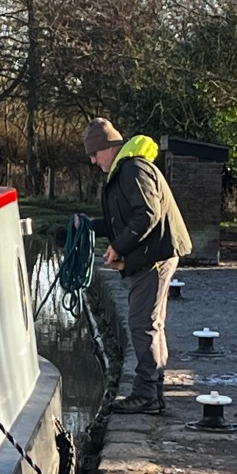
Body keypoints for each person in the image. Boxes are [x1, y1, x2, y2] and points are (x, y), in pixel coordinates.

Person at [82, 117, 192, 414]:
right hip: (150, 254)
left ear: (108, 147)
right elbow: (124, 219)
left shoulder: (132, 169)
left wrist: (119, 247)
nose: (93, 161)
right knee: (152, 325)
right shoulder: (127, 169)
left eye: (94, 153)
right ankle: (152, 393)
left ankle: (146, 396)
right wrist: (89, 226)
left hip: (152, 258)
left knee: (143, 326)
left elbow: (147, 214)